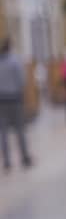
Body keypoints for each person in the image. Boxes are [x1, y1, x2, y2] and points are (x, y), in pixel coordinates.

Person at [0, 39, 32, 172]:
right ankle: (24, 157)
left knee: (4, 132)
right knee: (20, 129)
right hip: (15, 99)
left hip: (2, 99)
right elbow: (22, 80)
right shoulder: (15, 61)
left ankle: (7, 161)